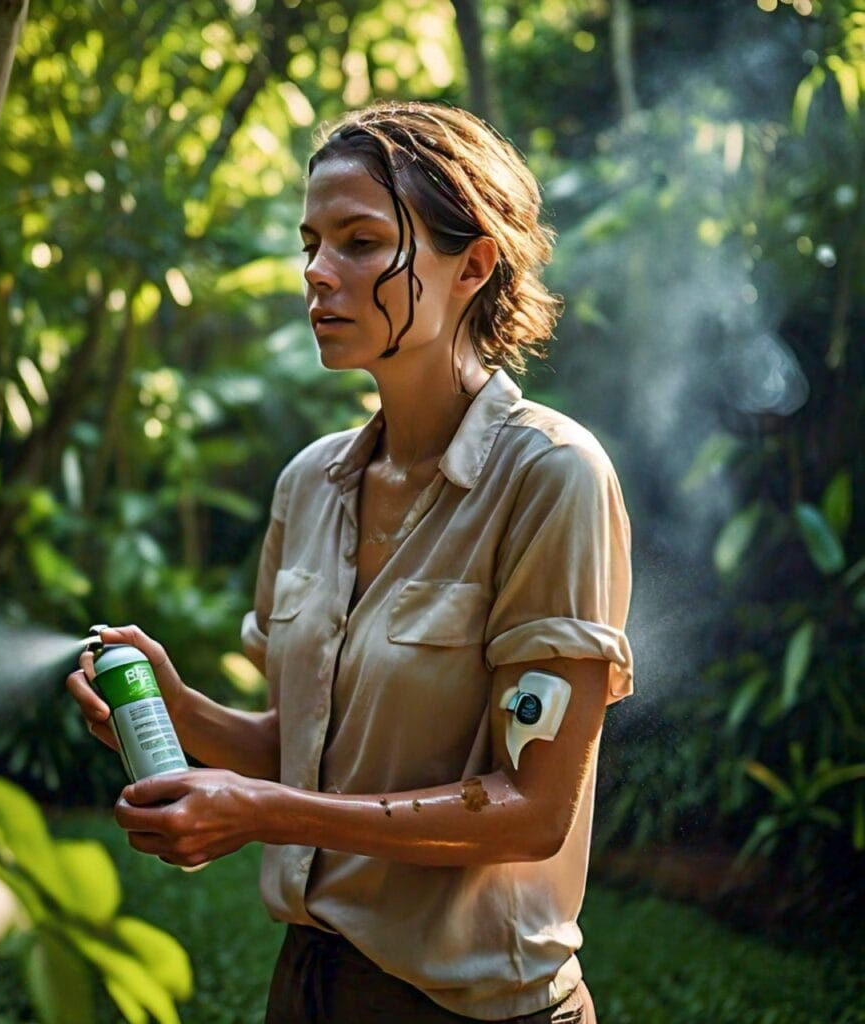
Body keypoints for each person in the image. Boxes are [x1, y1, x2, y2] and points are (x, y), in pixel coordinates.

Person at [66, 99, 632, 1024]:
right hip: (308, 984)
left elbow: (533, 811)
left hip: (477, 1009)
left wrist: (263, 813)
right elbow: (304, 749)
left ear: (474, 265)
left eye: (361, 243)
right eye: (311, 243)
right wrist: (184, 713)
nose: (318, 275)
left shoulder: (551, 477)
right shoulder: (309, 485)